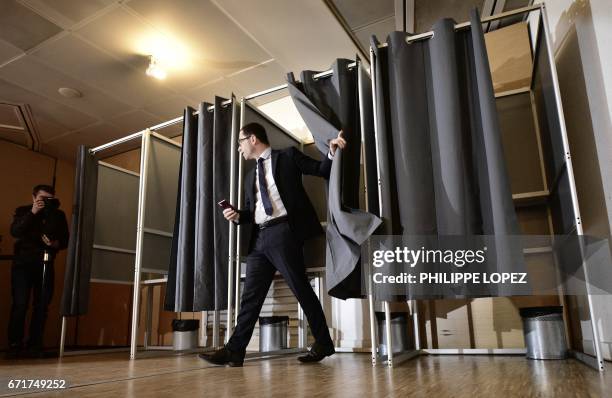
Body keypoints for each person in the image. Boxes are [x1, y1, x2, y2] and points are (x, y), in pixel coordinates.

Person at [200, 122, 346, 367]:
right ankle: (235, 351)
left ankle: (323, 342)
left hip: (284, 233)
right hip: (259, 239)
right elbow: (252, 212)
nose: (239, 148)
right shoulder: (249, 177)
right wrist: (237, 215)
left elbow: (321, 170)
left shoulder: (287, 155)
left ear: (253, 139)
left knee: (301, 289)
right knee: (250, 298)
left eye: (240, 142)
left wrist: (332, 151)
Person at [6, 184, 69, 358]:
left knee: (42, 306)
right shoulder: (23, 211)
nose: (45, 202)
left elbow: (65, 239)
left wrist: (55, 244)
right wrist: (33, 212)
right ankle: (14, 344)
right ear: (34, 197)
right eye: (42, 199)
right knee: (20, 304)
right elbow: (15, 231)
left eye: (50, 199)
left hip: (45, 264)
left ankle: (35, 344)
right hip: (23, 265)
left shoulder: (58, 215)